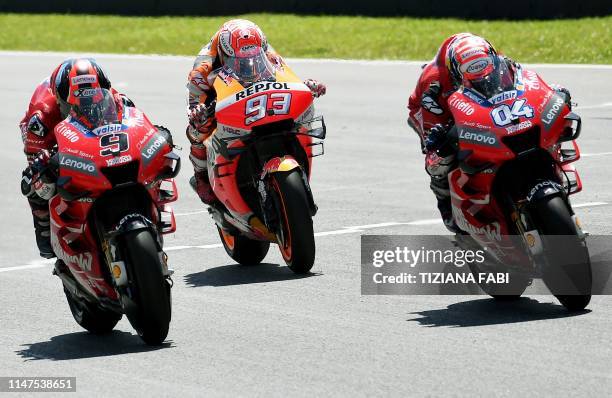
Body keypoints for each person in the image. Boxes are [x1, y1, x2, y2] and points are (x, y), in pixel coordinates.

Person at [407, 33, 570, 232]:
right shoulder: (433, 83)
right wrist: (439, 140)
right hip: (435, 109)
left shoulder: (498, 60)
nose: (482, 75)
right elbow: (433, 131)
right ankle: (447, 206)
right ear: (455, 72)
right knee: (439, 161)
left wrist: (551, 93)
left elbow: (523, 83)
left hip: (482, 103)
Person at [186, 19, 327, 204]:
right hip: (217, 94)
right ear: (224, 54)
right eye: (240, 60)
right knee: (197, 130)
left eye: (255, 56)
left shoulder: (265, 50)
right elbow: (193, 107)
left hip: (256, 91)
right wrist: (199, 112)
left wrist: (305, 85)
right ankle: (201, 175)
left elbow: (284, 75)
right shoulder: (202, 71)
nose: (248, 63)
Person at [19, 58, 135, 258]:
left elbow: (134, 125)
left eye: (93, 99)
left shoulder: (116, 98)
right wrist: (45, 162)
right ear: (59, 100)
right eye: (78, 103)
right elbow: (34, 161)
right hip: (47, 136)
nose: (87, 106)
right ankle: (43, 226)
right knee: (37, 182)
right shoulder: (41, 119)